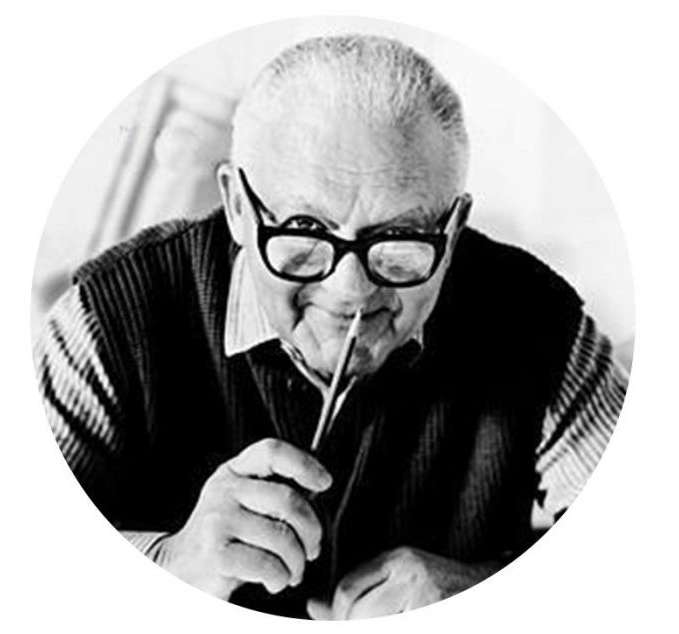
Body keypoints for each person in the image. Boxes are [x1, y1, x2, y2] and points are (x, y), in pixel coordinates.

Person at [34, 34, 628, 619]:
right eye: (305, 229)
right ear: (238, 206)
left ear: (452, 229)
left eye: (399, 239)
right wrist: (169, 565)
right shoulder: (109, 319)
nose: (351, 291)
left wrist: (486, 595)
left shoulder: (540, 323)